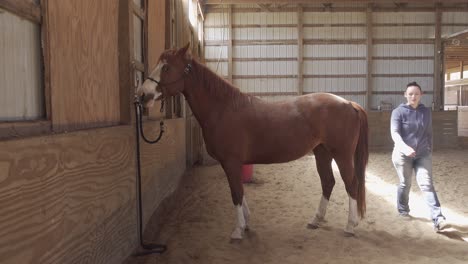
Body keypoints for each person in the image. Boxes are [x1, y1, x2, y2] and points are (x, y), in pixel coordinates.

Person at [390, 81, 446, 231]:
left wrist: (429, 149)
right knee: (405, 184)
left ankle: (438, 217)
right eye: (410, 94)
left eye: (416, 94)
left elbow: (429, 133)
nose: (413, 96)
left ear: (421, 95)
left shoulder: (426, 112)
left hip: (423, 154)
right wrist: (404, 147)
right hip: (402, 155)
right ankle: (403, 210)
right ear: (405, 95)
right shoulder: (398, 112)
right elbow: (395, 133)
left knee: (427, 184)